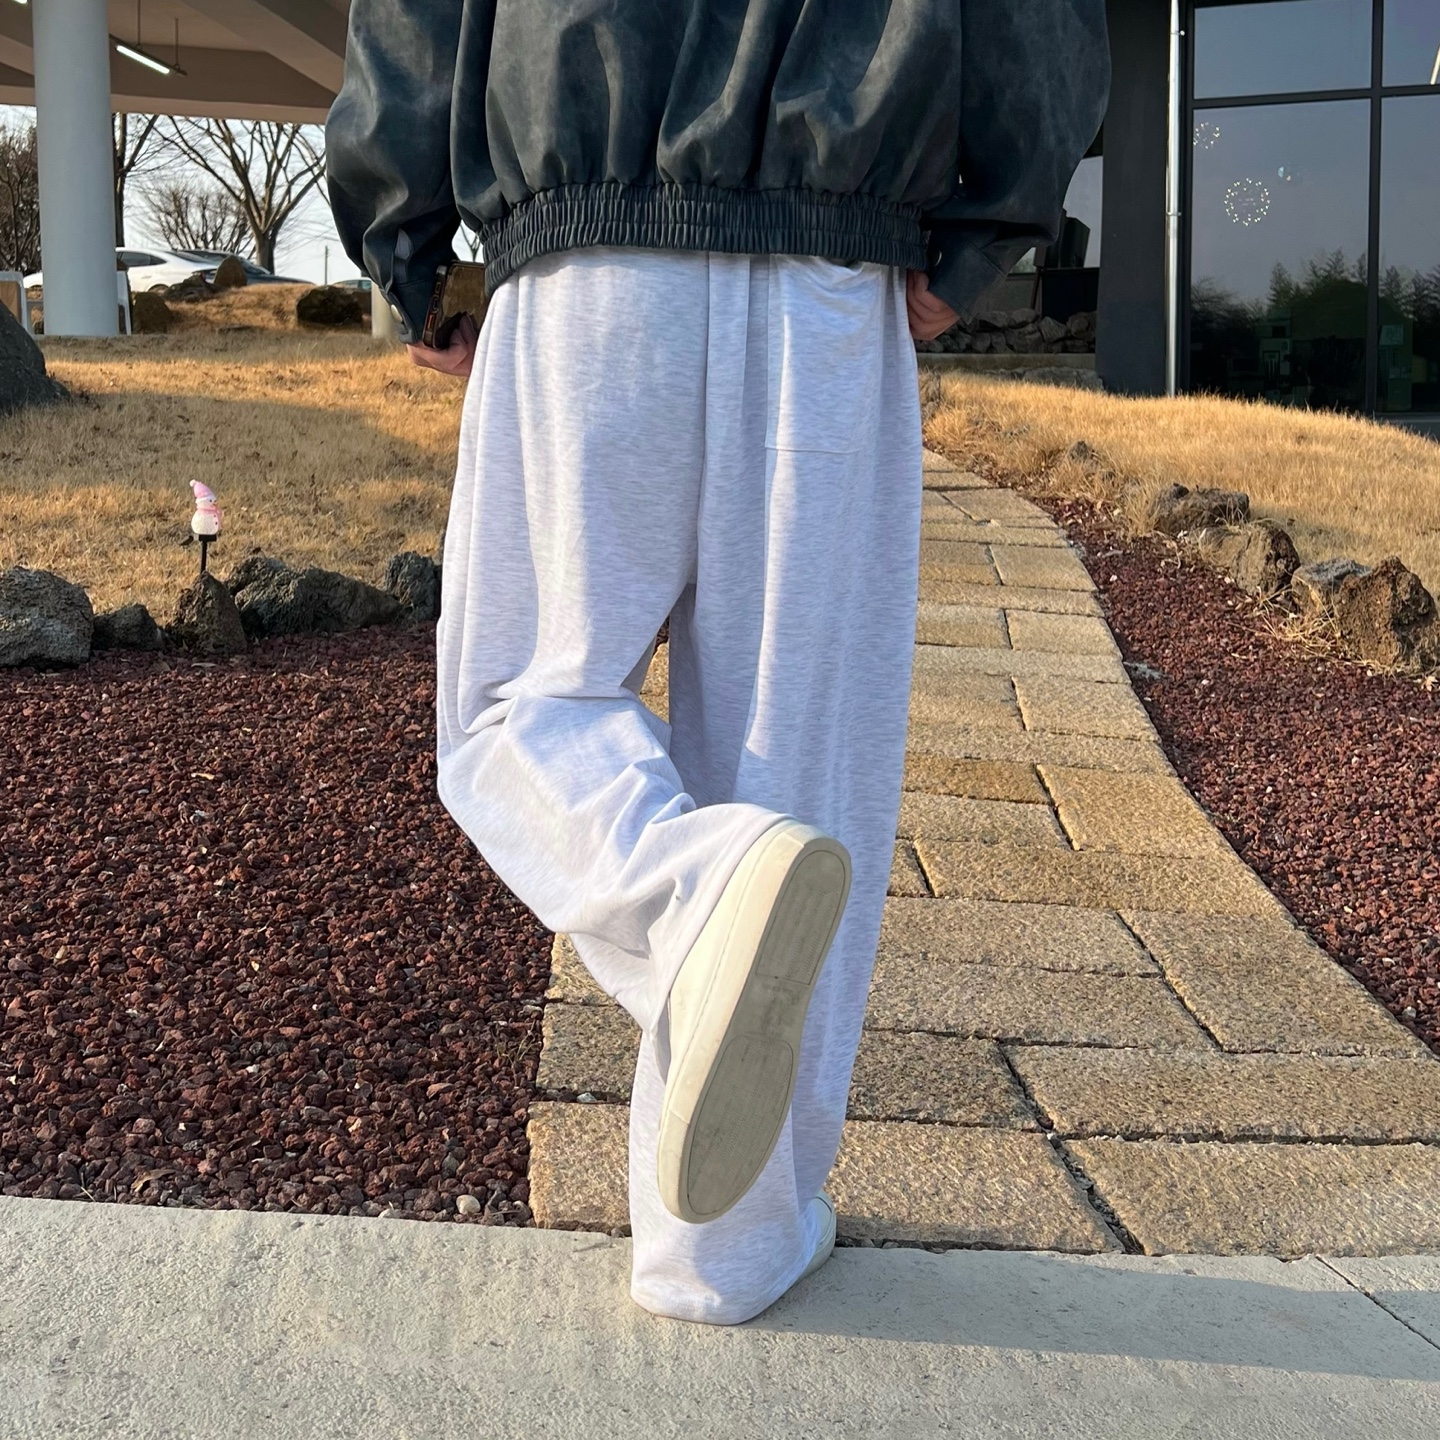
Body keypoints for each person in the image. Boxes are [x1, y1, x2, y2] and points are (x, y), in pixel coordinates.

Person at [328, 0, 1109, 1325]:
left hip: (583, 254)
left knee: (517, 704)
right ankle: (726, 1249)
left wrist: (410, 249)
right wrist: (986, 232)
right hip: (832, 261)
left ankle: (689, 896)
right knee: (795, 756)